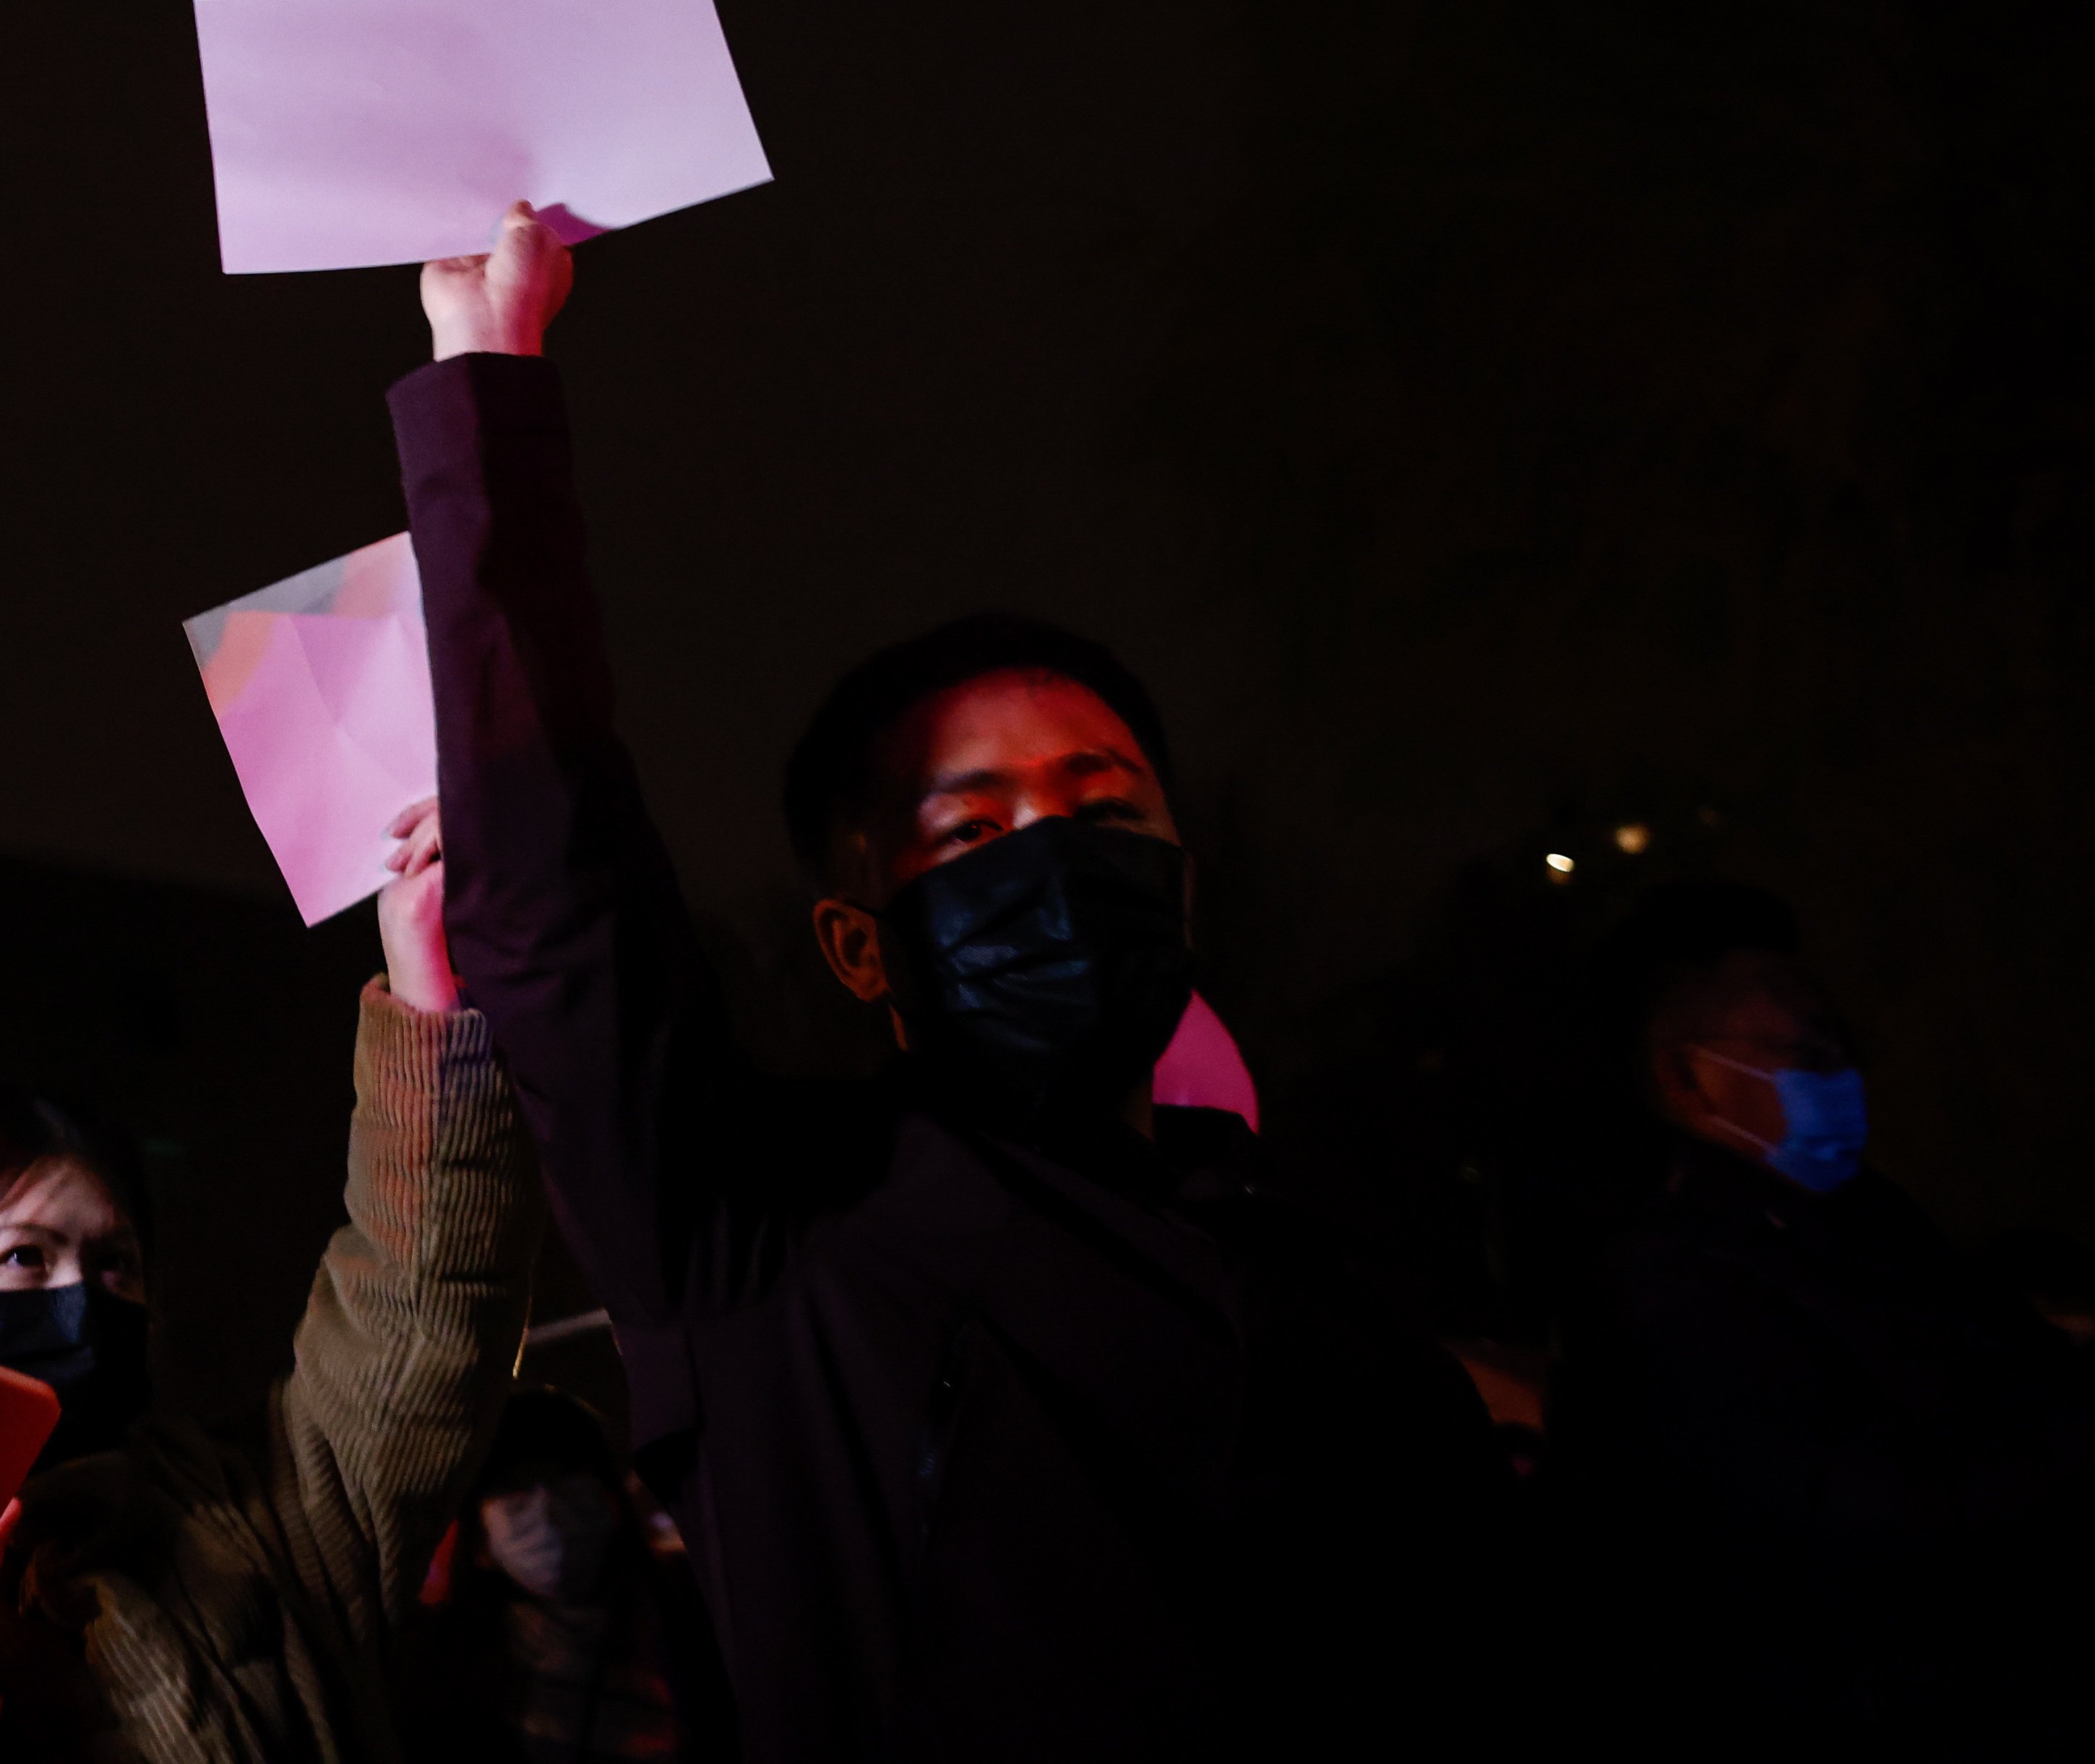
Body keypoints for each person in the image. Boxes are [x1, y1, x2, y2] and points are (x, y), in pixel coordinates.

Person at [383, 206, 1507, 1760]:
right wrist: (487, 376)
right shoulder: (763, 1220)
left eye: (1102, 811)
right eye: (969, 828)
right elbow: (563, 901)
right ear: (859, 942)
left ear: (1178, 879)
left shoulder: (1339, 1294)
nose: (1050, 852)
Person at [0, 788, 539, 1762]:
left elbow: (416, 1307)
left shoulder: (264, 1513)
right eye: (25, 1255)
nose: (81, 1295)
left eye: (114, 1262)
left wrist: (426, 988)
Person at [1546, 903, 2095, 1750]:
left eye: (1843, 1047)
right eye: (1806, 1052)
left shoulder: (1862, 1217)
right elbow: (1859, 1520)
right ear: (1686, 1079)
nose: (1843, 1075)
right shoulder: (1670, 1283)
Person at [400, 1389, 734, 1764]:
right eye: (517, 1487)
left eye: (565, 1477)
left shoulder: (700, 1629)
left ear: (610, 1496)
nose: (548, 1508)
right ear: (477, 1540)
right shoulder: (441, 1677)